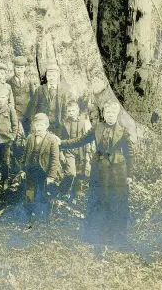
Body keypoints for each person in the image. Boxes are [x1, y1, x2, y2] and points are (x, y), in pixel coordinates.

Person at [58, 99, 134, 248]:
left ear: (117, 114)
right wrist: (61, 143)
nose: (110, 115)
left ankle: (116, 239)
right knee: (97, 201)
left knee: (116, 202)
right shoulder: (97, 127)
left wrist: (129, 175)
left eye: (113, 112)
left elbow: (130, 154)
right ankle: (94, 236)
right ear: (103, 114)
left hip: (117, 172)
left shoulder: (123, 131)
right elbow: (80, 140)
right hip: (99, 170)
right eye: (108, 112)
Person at [21, 113, 60, 223]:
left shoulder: (52, 139)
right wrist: (22, 170)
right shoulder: (30, 137)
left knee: (43, 192)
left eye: (41, 125)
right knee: (30, 191)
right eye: (36, 125)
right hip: (31, 169)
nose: (38, 128)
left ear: (46, 126)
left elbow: (54, 159)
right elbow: (25, 155)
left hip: (44, 171)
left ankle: (44, 215)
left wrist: (51, 176)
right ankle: (29, 214)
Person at [58, 100, 91, 200]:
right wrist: (61, 154)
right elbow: (59, 140)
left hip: (81, 150)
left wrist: (87, 154)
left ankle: (77, 193)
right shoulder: (63, 123)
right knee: (71, 172)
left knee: (80, 171)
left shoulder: (83, 122)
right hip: (68, 151)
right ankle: (64, 192)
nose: (71, 113)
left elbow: (87, 139)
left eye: (73, 110)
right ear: (66, 112)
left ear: (77, 111)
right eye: (69, 111)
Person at [27, 58, 69, 136]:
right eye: (49, 75)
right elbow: (33, 109)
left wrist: (61, 123)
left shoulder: (62, 92)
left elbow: (65, 111)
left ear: (58, 76)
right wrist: (34, 123)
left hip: (56, 126)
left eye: (54, 75)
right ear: (46, 76)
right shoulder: (40, 90)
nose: (51, 78)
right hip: (42, 125)